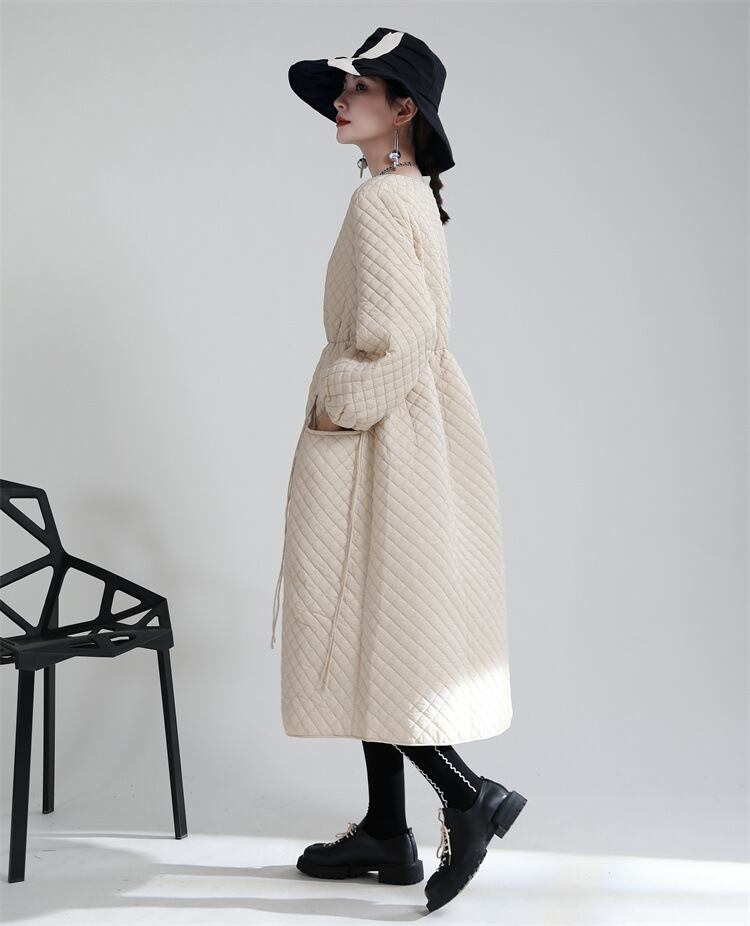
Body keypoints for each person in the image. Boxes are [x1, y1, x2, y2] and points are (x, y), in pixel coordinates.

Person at [273, 27, 527, 914]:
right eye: (341, 88)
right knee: (377, 623)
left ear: (404, 108)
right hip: (417, 432)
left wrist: (337, 405)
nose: (341, 101)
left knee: (362, 620)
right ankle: (387, 828)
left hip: (381, 432)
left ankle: (468, 795)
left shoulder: (380, 203)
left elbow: (407, 335)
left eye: (359, 88)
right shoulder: (407, 193)